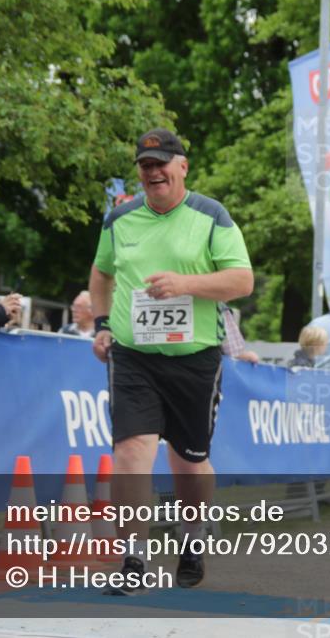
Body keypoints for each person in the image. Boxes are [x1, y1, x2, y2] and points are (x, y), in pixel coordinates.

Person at [88, 128, 253, 593]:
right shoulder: (119, 219)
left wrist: (187, 285)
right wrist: (101, 324)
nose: (154, 171)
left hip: (195, 357)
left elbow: (242, 281)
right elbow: (100, 274)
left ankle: (192, 540)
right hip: (133, 356)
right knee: (131, 451)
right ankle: (133, 559)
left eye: (162, 162)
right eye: (145, 165)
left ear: (182, 166)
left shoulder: (211, 215)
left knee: (189, 462)